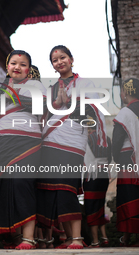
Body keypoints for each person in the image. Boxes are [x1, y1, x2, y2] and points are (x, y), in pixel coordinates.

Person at [36, 45, 107, 249]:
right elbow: (43, 117)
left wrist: (70, 105)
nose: (59, 62)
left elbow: (93, 114)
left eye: (63, 57)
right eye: (55, 60)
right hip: (50, 142)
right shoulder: (50, 90)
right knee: (52, 189)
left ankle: (77, 238)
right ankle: (67, 237)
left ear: (71, 59)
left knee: (67, 187)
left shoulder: (85, 84)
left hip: (73, 142)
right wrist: (57, 104)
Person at [0, 50, 46, 250]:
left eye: (23, 64)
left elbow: (37, 106)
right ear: (7, 66)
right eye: (13, 63)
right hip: (2, 141)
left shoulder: (35, 85)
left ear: (28, 69)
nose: (17, 67)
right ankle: (15, 237)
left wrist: (9, 95)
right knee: (5, 188)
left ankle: (28, 238)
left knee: (22, 183)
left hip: (27, 141)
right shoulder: (0, 88)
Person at [112, 78, 139, 247]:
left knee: (128, 195)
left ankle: (128, 237)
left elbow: (117, 141)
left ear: (125, 93)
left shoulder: (125, 113)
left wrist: (116, 157)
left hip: (128, 158)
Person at [83, 123, 112, 248]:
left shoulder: (88, 139)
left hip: (92, 175)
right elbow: (110, 158)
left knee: (91, 207)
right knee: (100, 205)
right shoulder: (107, 138)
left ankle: (95, 241)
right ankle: (104, 237)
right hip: (104, 173)